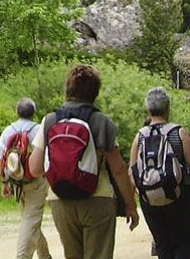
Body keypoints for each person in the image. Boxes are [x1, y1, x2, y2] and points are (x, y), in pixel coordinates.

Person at [27, 64, 139, 259]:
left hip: (60, 201)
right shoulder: (102, 122)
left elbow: (35, 168)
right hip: (98, 199)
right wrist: (130, 204)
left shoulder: (50, 120)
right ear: (95, 92)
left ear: (67, 89)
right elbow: (119, 170)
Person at [130, 87, 190, 259]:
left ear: (148, 109)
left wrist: (136, 197)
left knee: (163, 244)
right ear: (168, 108)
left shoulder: (140, 136)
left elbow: (133, 171)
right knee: (186, 242)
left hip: (150, 199)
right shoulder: (178, 133)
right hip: (180, 195)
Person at [0, 97, 52, 259]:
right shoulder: (39, 130)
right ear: (33, 113)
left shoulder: (8, 130)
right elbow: (47, 159)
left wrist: (4, 183)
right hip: (36, 181)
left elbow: (1, 159)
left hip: (16, 183)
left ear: (17, 112)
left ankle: (45, 255)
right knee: (31, 221)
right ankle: (22, 256)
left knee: (30, 221)